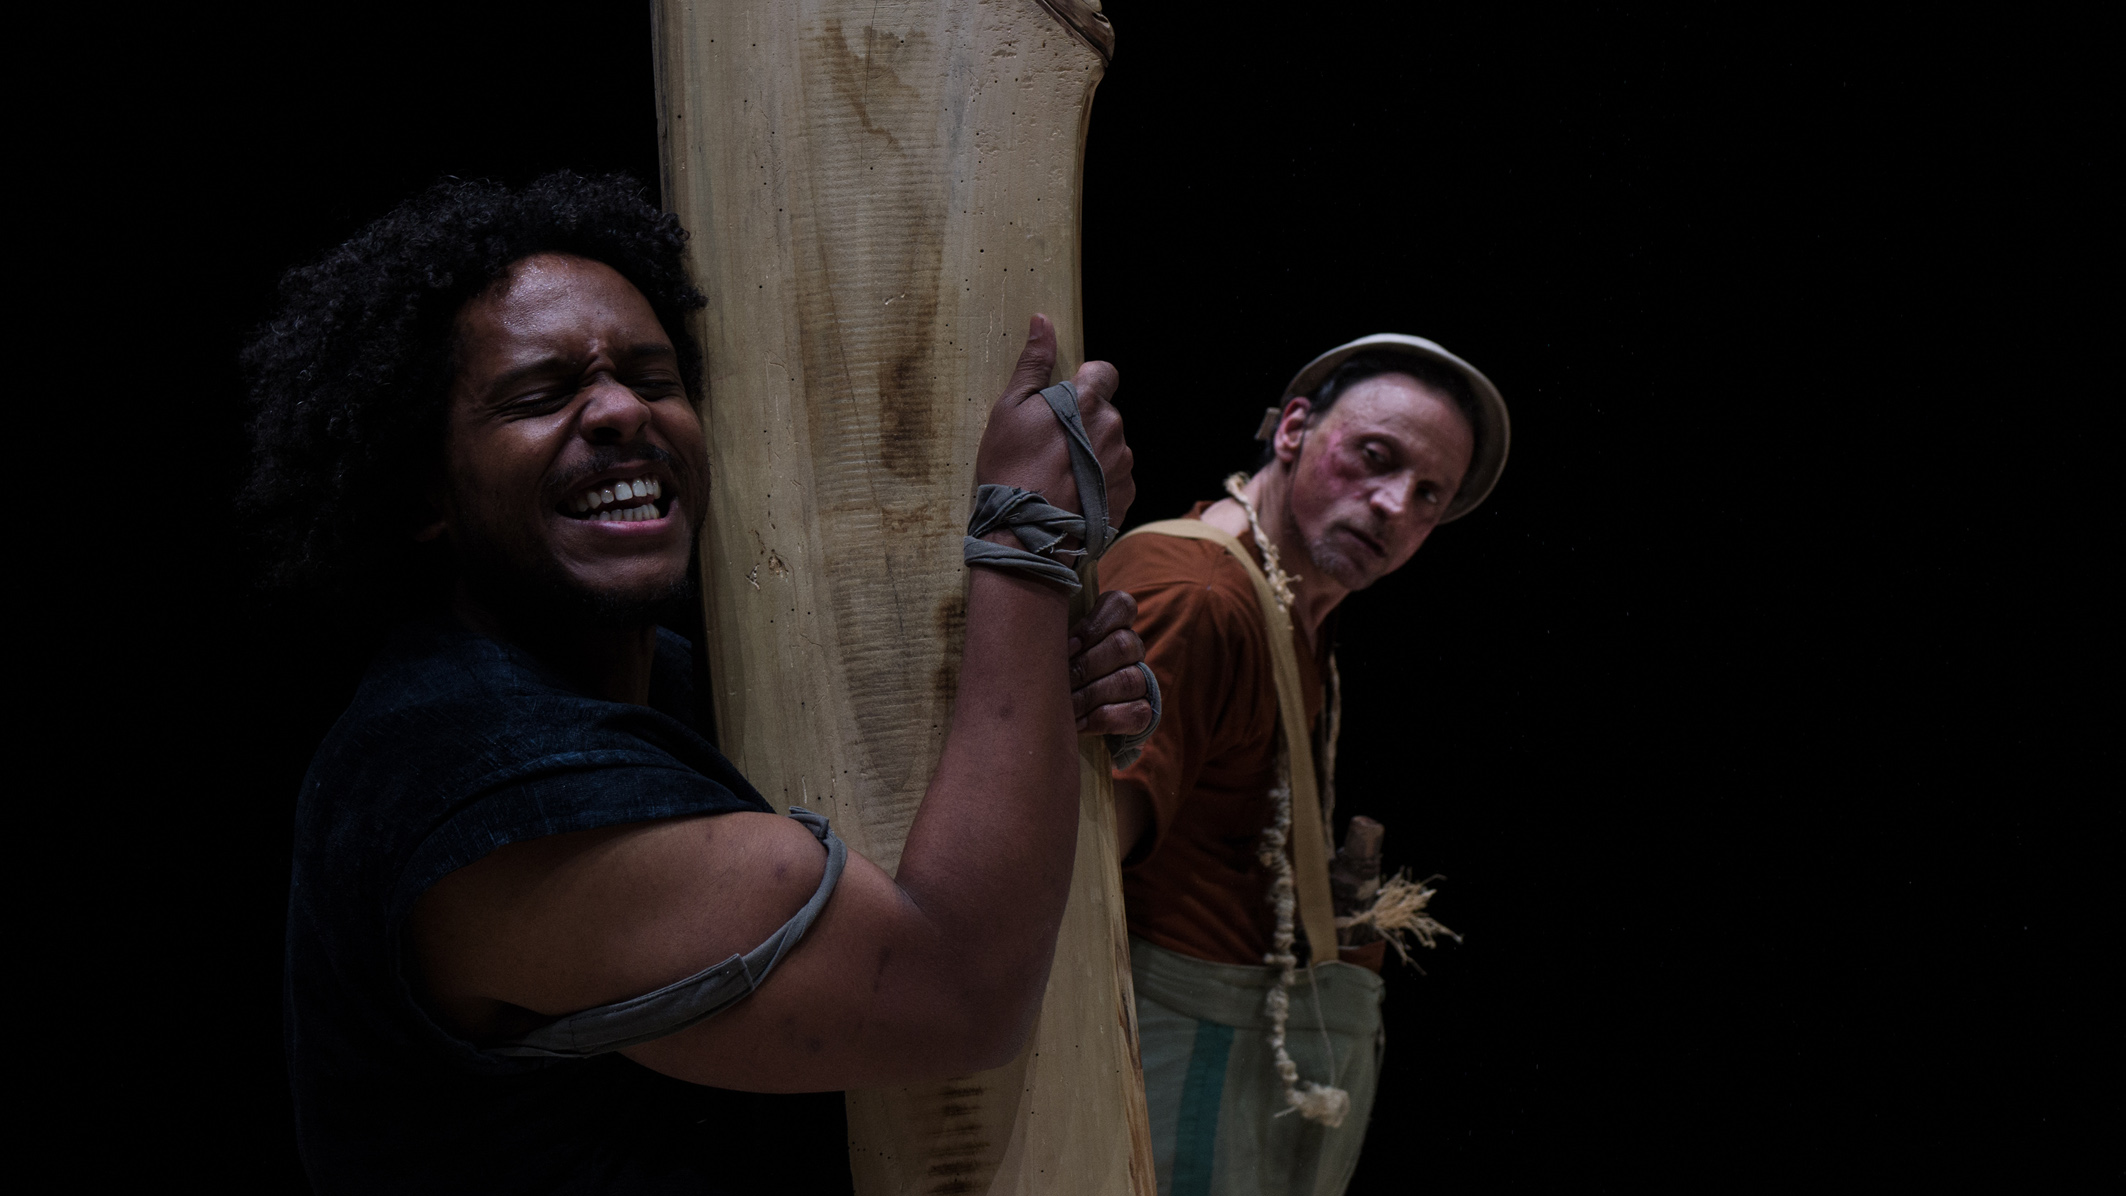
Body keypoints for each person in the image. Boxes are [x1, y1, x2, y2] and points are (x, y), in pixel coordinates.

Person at [246, 172, 1153, 1193]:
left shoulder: (669, 681)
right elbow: (955, 996)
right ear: (425, 493)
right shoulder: (468, 771)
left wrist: (1043, 685)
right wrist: (1026, 544)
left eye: (654, 376)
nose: (620, 410)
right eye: (542, 394)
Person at [1103, 334, 1510, 1195]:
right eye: (1375, 457)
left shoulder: (1287, 593)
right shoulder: (1204, 596)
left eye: (1429, 495)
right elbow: (1076, 861)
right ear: (1292, 430)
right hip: (1171, 1061)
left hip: (1234, 1056)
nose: (1394, 505)